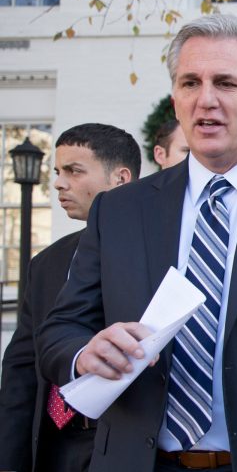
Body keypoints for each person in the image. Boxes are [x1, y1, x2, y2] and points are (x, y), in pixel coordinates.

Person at [38, 14, 237, 472]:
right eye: (190, 83)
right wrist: (84, 353)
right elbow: (57, 331)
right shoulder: (120, 212)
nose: (206, 100)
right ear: (176, 98)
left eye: (226, 83)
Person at [0, 124, 140, 472]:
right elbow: (22, 369)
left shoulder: (155, 255)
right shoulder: (45, 263)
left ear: (121, 178)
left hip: (125, 447)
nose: (59, 183)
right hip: (54, 447)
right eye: (58, 172)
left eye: (74, 171)